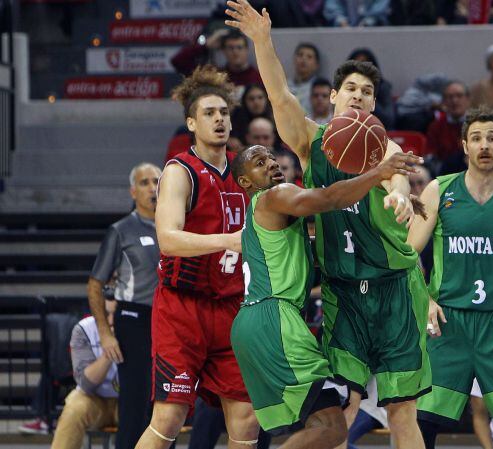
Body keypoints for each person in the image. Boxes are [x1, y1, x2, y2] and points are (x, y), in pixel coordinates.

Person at [225, 3, 431, 448]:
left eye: (367, 92)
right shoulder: (309, 141)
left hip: (394, 286)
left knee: (401, 410)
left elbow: (396, 171)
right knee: (342, 407)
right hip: (343, 292)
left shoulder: (381, 145)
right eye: (350, 88)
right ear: (333, 96)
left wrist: (396, 191)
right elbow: (279, 95)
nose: (358, 95)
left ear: (375, 104)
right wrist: (263, 40)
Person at [230, 145, 420, 447]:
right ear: (245, 182)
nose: (271, 163)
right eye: (259, 162)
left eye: (271, 157)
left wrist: (383, 217)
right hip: (273, 320)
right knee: (330, 426)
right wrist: (378, 174)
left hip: (258, 322)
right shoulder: (274, 196)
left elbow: (332, 235)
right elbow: (329, 198)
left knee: (329, 425)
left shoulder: (272, 215)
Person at [134, 65, 258, 449]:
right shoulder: (179, 170)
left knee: (247, 419)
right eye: (209, 113)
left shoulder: (245, 171)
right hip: (182, 308)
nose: (219, 119)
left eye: (224, 112)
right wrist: (229, 241)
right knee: (169, 418)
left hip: (231, 306)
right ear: (191, 122)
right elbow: (168, 239)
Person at [408, 107, 493, 449]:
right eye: (476, 138)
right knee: (423, 421)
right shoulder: (439, 189)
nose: (484, 145)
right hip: (448, 323)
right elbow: (408, 252)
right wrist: (425, 300)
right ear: (464, 146)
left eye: (492, 138)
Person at [87, 162, 161, 449]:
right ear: (133, 191)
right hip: (135, 317)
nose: (152, 187)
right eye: (145, 182)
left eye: (157, 181)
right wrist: (106, 333)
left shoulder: (176, 225)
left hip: (169, 320)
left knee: (166, 404)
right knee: (136, 404)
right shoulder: (121, 230)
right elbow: (95, 284)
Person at [50, 301, 120, 449]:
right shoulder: (84, 329)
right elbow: (86, 384)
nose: (112, 320)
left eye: (117, 314)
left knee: (147, 412)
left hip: (129, 400)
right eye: (107, 314)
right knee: (74, 408)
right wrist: (109, 351)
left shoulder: (140, 327)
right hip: (94, 399)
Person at [171, 28, 262, 99]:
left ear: (247, 50)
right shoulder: (215, 76)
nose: (235, 52)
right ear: (223, 50)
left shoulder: (259, 78)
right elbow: (178, 61)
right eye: (230, 48)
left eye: (239, 47)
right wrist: (206, 45)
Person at [426, 81, 471, 175]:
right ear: (443, 102)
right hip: (445, 173)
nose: (454, 101)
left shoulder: (477, 124)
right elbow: (431, 156)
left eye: (459, 96)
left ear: (467, 99)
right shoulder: (435, 126)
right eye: (450, 97)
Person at [348, 48, 396, 129]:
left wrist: (367, 95)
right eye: (356, 65)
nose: (360, 69)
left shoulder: (383, 87)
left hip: (376, 131)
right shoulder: (343, 88)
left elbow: (389, 120)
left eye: (364, 64)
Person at [287, 42, 320, 113]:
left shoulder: (319, 89)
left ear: (316, 65)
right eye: (300, 55)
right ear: (294, 60)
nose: (303, 59)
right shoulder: (284, 86)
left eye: (309, 57)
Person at [323, 0, 391, 26]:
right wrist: (342, 21)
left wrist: (366, 23)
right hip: (342, 31)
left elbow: (380, 8)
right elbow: (332, 5)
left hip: (374, 30)